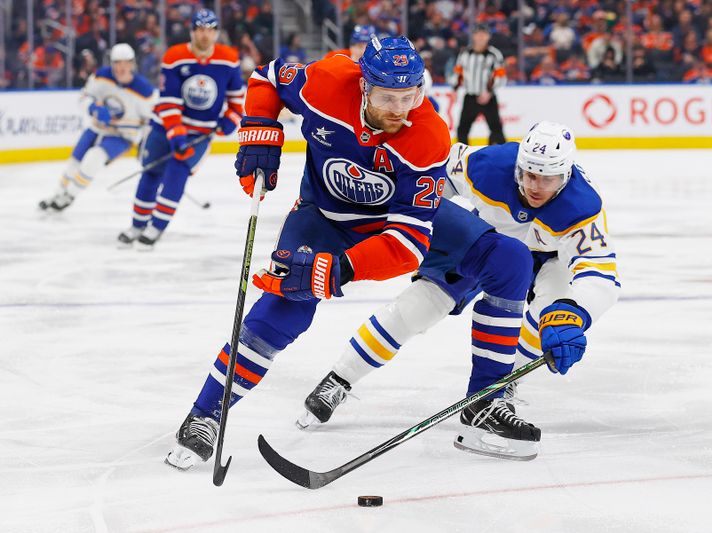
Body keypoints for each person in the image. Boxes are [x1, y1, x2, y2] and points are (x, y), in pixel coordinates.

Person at [164, 35, 452, 470]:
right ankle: (205, 414)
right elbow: (267, 77)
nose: (398, 109)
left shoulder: (428, 137)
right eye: (387, 96)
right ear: (363, 87)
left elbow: (409, 246)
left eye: (408, 96)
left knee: (489, 258)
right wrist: (262, 130)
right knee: (284, 308)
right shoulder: (328, 82)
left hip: (380, 233)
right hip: (320, 217)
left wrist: (342, 268)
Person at [299, 122, 621, 460]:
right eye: (528, 174)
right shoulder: (488, 166)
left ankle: (497, 390)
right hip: (486, 238)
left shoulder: (582, 207)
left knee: (553, 315)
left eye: (547, 179)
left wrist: (574, 315)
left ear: (565, 176)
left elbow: (600, 275)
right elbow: (436, 175)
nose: (534, 186)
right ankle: (340, 378)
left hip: (548, 257)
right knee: (417, 307)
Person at [117, 9, 244, 249]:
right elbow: (168, 100)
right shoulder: (175, 56)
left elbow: (237, 98)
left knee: (177, 174)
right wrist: (176, 132)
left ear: (216, 33)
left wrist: (230, 119)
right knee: (151, 173)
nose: (205, 35)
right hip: (164, 127)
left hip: (199, 134)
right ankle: (137, 225)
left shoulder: (228, 58)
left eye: (210, 30)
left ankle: (156, 228)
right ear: (192, 31)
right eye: (200, 30)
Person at [39, 44, 156, 212]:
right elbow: (83, 97)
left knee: (95, 157)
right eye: (117, 62)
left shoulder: (144, 89)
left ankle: (70, 195)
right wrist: (93, 107)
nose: (121, 67)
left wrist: (146, 142)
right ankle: (58, 194)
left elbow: (150, 120)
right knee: (74, 162)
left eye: (125, 63)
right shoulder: (101, 76)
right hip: (97, 128)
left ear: (132, 64)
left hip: (122, 136)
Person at [450, 24, 507, 145]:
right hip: (470, 96)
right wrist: (454, 89)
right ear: (474, 36)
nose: (481, 37)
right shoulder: (464, 53)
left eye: (484, 34)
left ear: (488, 36)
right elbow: (459, 73)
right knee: (462, 130)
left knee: (496, 129)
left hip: (488, 97)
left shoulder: (494, 54)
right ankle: (463, 156)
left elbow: (500, 77)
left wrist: (489, 92)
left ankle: (498, 156)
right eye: (478, 34)